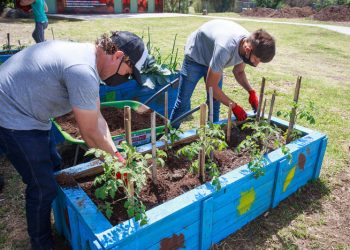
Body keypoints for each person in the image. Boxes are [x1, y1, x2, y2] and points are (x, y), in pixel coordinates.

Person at [0, 31, 148, 250]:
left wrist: (116, 155)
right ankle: (42, 244)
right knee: (42, 186)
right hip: (12, 114)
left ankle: (61, 216)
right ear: (118, 56)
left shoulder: (88, 60)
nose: (125, 79)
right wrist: (118, 166)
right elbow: (89, 132)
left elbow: (98, 118)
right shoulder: (82, 71)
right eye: (128, 73)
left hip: (30, 111)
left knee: (54, 166)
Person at [170, 19, 276, 128]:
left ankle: (212, 135)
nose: (256, 64)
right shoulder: (225, 48)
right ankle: (170, 139)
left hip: (215, 57)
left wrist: (251, 92)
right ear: (248, 49)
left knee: (215, 104)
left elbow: (239, 72)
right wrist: (234, 106)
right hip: (196, 56)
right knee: (182, 103)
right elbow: (211, 87)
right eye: (257, 59)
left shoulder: (248, 45)